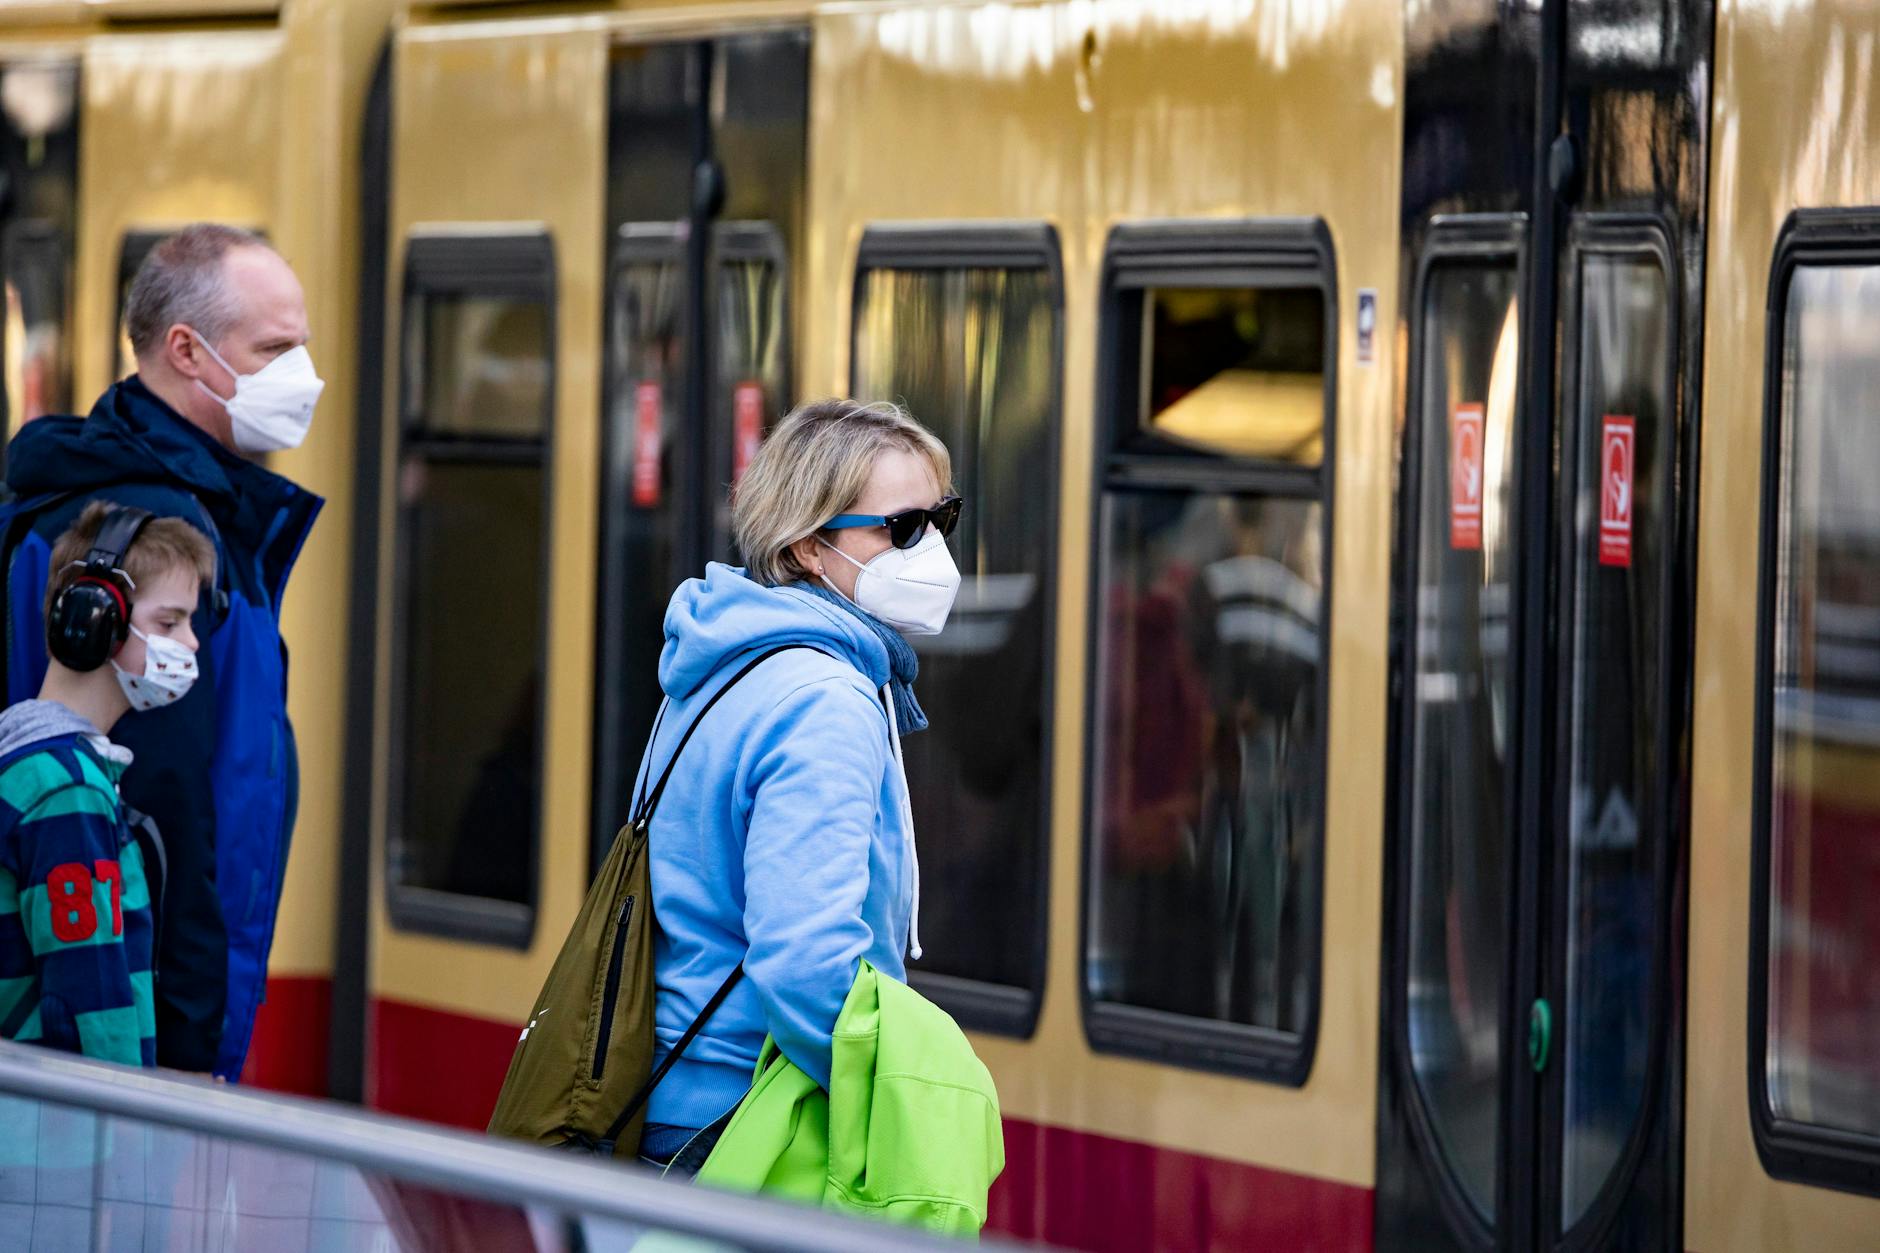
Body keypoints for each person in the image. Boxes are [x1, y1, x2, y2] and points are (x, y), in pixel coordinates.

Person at [0, 224, 324, 1078]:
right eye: (276, 347)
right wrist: (187, 1073)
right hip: (152, 1050)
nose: (304, 375)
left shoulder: (181, 510)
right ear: (188, 350)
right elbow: (164, 826)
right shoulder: (149, 536)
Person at [634, 398, 963, 1174]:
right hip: (750, 1123)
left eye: (943, 518)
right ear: (812, 546)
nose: (934, 551)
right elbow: (805, 959)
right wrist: (901, 1099)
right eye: (903, 528)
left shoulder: (726, 662)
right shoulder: (825, 701)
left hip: (678, 1105)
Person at [0, 502, 216, 1066]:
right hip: (65, 1149)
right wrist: (125, 1141)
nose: (191, 644)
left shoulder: (39, 767)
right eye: (169, 622)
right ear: (94, 619)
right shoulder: (67, 792)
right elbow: (92, 1014)